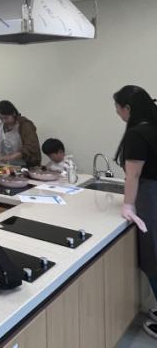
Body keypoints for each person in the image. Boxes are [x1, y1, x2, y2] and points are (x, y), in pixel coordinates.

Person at [110, 85, 157, 338]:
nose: (117, 113)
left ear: (127, 108)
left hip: (151, 197)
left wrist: (127, 205)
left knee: (153, 257)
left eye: (117, 108)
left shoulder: (137, 134)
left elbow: (134, 174)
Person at [0, 100, 41, 168]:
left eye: (6, 118)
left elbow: (31, 146)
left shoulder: (25, 125)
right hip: (4, 165)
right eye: (1, 118)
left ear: (14, 113)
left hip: (25, 165)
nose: (4, 121)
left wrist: (11, 157)